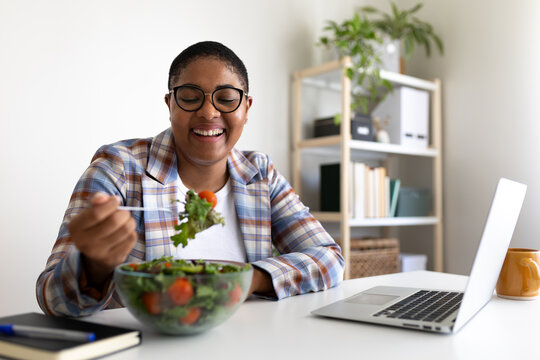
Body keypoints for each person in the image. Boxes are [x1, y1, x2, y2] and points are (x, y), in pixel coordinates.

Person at [36, 41, 345, 317]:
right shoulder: (117, 168)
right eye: (189, 97)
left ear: (246, 108)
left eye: (225, 98)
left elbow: (330, 260)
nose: (209, 112)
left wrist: (245, 279)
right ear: (170, 104)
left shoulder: (259, 174)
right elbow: (51, 298)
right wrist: (93, 266)